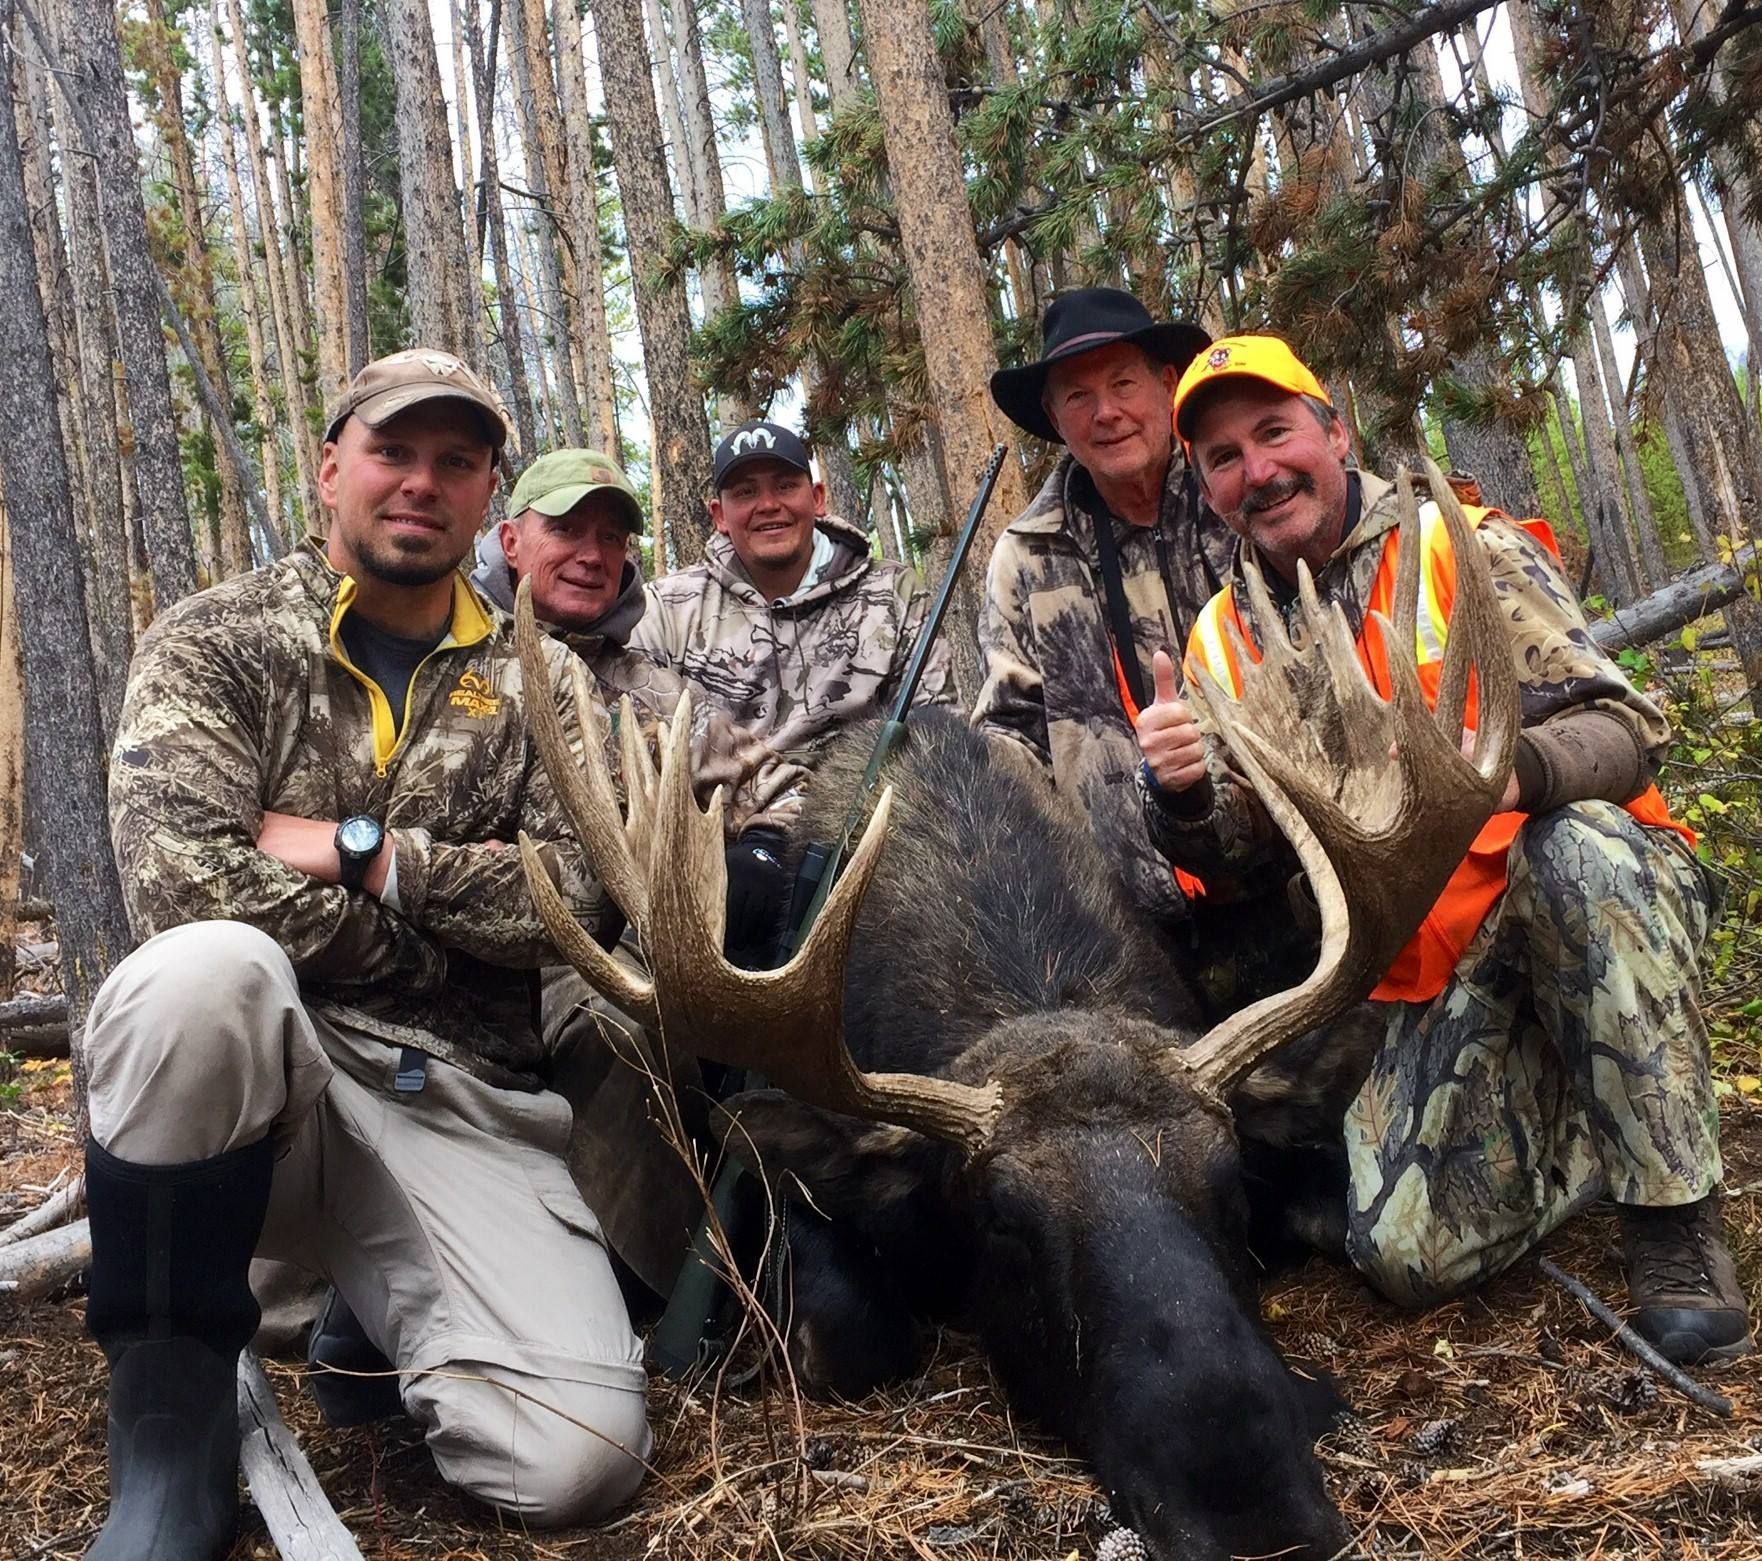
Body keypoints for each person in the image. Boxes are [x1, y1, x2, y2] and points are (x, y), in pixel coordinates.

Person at [83, 349, 648, 1560]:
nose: (419, 484)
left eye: (456, 462)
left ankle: (374, 1310)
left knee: (574, 1461)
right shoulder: (218, 642)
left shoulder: (543, 680)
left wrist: (363, 852)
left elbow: (569, 906)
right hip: (258, 1090)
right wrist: (441, 936)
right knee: (203, 974)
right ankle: (169, 1442)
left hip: (452, 1098)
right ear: (330, 466)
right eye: (392, 452)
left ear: (489, 498)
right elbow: (180, 883)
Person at [1138, 332, 1748, 1365]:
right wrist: (1188, 797)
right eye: (1223, 457)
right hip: (1424, 966)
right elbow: (1244, 849)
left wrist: (1511, 780)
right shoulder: (1217, 640)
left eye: (1274, 432)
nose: (1258, 470)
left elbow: (1624, 728)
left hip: (1568, 890)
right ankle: (1582, 1125)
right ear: (1204, 487)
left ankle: (1675, 1224)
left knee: (1579, 855)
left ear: (1333, 432)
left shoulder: (1456, 545)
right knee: (1403, 1257)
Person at [472, 446, 809, 1301]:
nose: (593, 552)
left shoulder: (651, 687)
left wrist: (769, 846)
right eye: (568, 530)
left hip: (643, 939)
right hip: (505, 952)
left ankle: (791, 1245)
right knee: (628, 1033)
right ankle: (665, 1292)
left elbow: (762, 791)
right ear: (511, 540)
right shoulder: (462, 663)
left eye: (612, 536)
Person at [974, 287, 1230, 936]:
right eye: (1078, 397)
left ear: (1168, 384)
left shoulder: (1240, 495)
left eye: (1123, 383)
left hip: (1294, 877)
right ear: (1055, 420)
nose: (1106, 412)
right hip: (1132, 927)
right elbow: (1011, 735)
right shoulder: (1024, 557)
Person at [629, 419, 952, 768]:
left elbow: (939, 735)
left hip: (861, 810)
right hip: (719, 814)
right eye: (746, 492)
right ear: (719, 515)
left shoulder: (892, 593)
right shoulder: (665, 609)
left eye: (784, 486)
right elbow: (641, 742)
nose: (768, 504)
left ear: (817, 499)